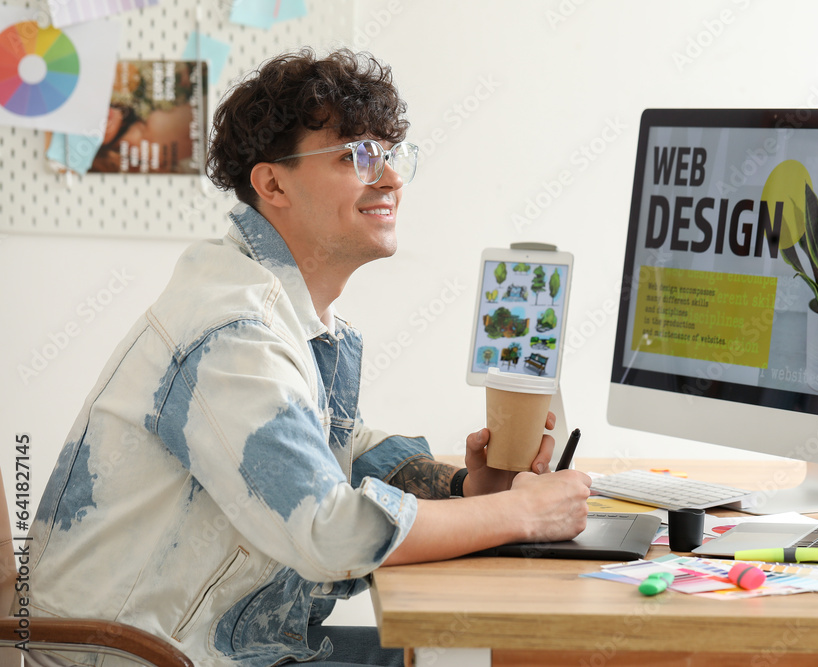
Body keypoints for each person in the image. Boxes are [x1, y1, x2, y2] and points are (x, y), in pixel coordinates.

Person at [24, 48, 591, 667]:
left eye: (391, 154)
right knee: (466, 657)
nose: (392, 178)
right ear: (272, 183)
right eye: (357, 157)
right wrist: (518, 513)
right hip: (144, 655)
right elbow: (328, 529)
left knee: (457, 653)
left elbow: (326, 447)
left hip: (215, 642)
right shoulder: (233, 333)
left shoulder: (274, 306)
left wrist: (465, 487)